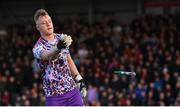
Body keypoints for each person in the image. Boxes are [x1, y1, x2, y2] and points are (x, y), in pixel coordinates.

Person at [32, 9, 87, 106]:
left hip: (73, 92)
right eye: (44, 23)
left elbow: (68, 60)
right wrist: (57, 47)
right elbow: (49, 56)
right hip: (54, 97)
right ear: (38, 27)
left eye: (49, 21)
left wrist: (79, 79)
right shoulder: (38, 47)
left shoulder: (61, 38)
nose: (48, 24)